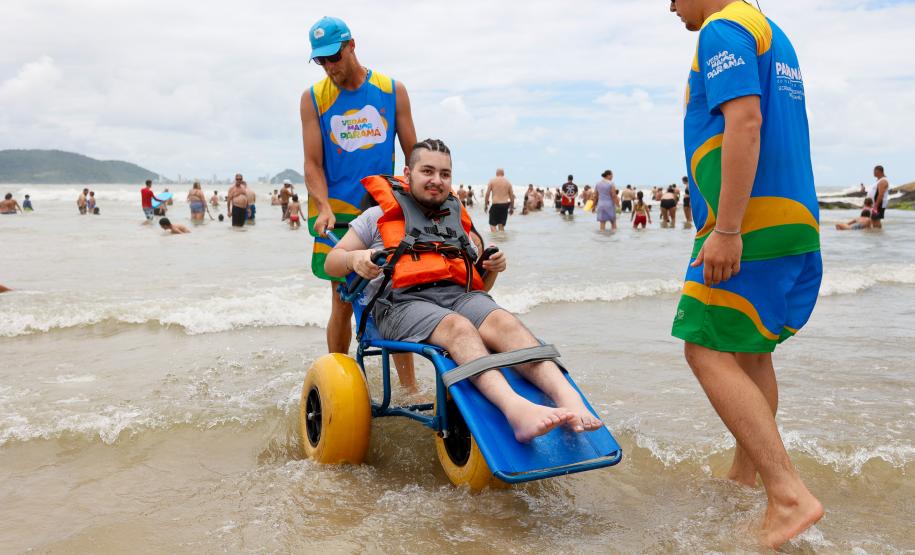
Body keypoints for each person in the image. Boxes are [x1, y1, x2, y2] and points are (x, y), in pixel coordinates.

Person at [668, 0, 823, 548]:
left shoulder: (723, 28)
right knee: (751, 353)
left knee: (703, 349)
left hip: (750, 223)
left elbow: (745, 121)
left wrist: (727, 228)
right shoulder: (771, 33)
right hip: (793, 216)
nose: (669, 5)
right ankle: (746, 476)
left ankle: (787, 496)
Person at [325, 139, 603, 442]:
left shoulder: (456, 220)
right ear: (408, 174)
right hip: (401, 304)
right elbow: (331, 261)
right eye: (427, 171)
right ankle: (516, 409)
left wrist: (491, 267)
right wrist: (356, 258)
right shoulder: (376, 217)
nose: (437, 180)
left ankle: (570, 400)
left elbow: (478, 285)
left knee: (505, 321)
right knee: (459, 328)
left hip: (458, 296)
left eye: (445, 174)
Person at [300, 15, 418, 389]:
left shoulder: (391, 89)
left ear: (352, 45)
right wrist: (322, 206)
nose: (329, 67)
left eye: (333, 57)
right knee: (341, 300)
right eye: (321, 61)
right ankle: (338, 380)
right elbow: (312, 163)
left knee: (394, 294)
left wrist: (424, 201)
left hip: (383, 207)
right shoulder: (313, 99)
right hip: (337, 213)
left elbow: (413, 153)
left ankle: (408, 387)